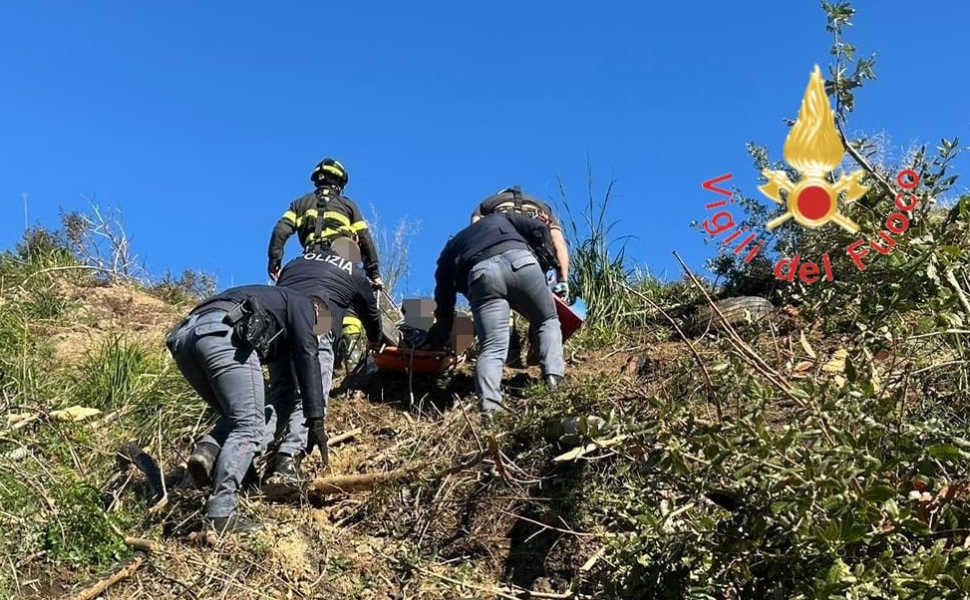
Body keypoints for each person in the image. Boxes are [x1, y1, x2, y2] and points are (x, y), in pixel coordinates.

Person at [166, 285, 330, 534]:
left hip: (184, 337)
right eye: (318, 328)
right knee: (250, 424)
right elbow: (307, 356)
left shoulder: (275, 304)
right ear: (318, 311)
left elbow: (283, 381)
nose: (315, 333)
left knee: (237, 415)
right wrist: (316, 418)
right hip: (223, 334)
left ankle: (208, 451)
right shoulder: (306, 305)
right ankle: (221, 513)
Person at [266, 239, 382, 483]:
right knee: (311, 396)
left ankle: (251, 453)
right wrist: (375, 339)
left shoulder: (296, 262)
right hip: (316, 320)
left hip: (275, 326)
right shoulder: (355, 272)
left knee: (279, 396)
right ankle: (288, 459)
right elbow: (371, 314)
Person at [426, 213, 565, 412]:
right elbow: (539, 228)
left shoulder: (450, 248)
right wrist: (546, 260)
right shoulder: (500, 218)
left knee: (492, 347)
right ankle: (553, 380)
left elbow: (443, 288)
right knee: (547, 320)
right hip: (521, 262)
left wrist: (444, 321)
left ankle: (490, 409)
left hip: (482, 277)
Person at [472, 187, 570, 366]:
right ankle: (540, 345)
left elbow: (475, 235)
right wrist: (563, 280)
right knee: (540, 305)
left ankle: (510, 350)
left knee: (501, 297)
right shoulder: (542, 208)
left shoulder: (487, 205)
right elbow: (558, 243)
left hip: (498, 254)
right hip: (532, 260)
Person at [267, 158, 384, 289]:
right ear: (339, 183)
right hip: (339, 262)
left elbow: (280, 231)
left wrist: (274, 262)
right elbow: (364, 238)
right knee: (363, 304)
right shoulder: (348, 205)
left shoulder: (299, 204)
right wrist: (374, 274)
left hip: (307, 260)